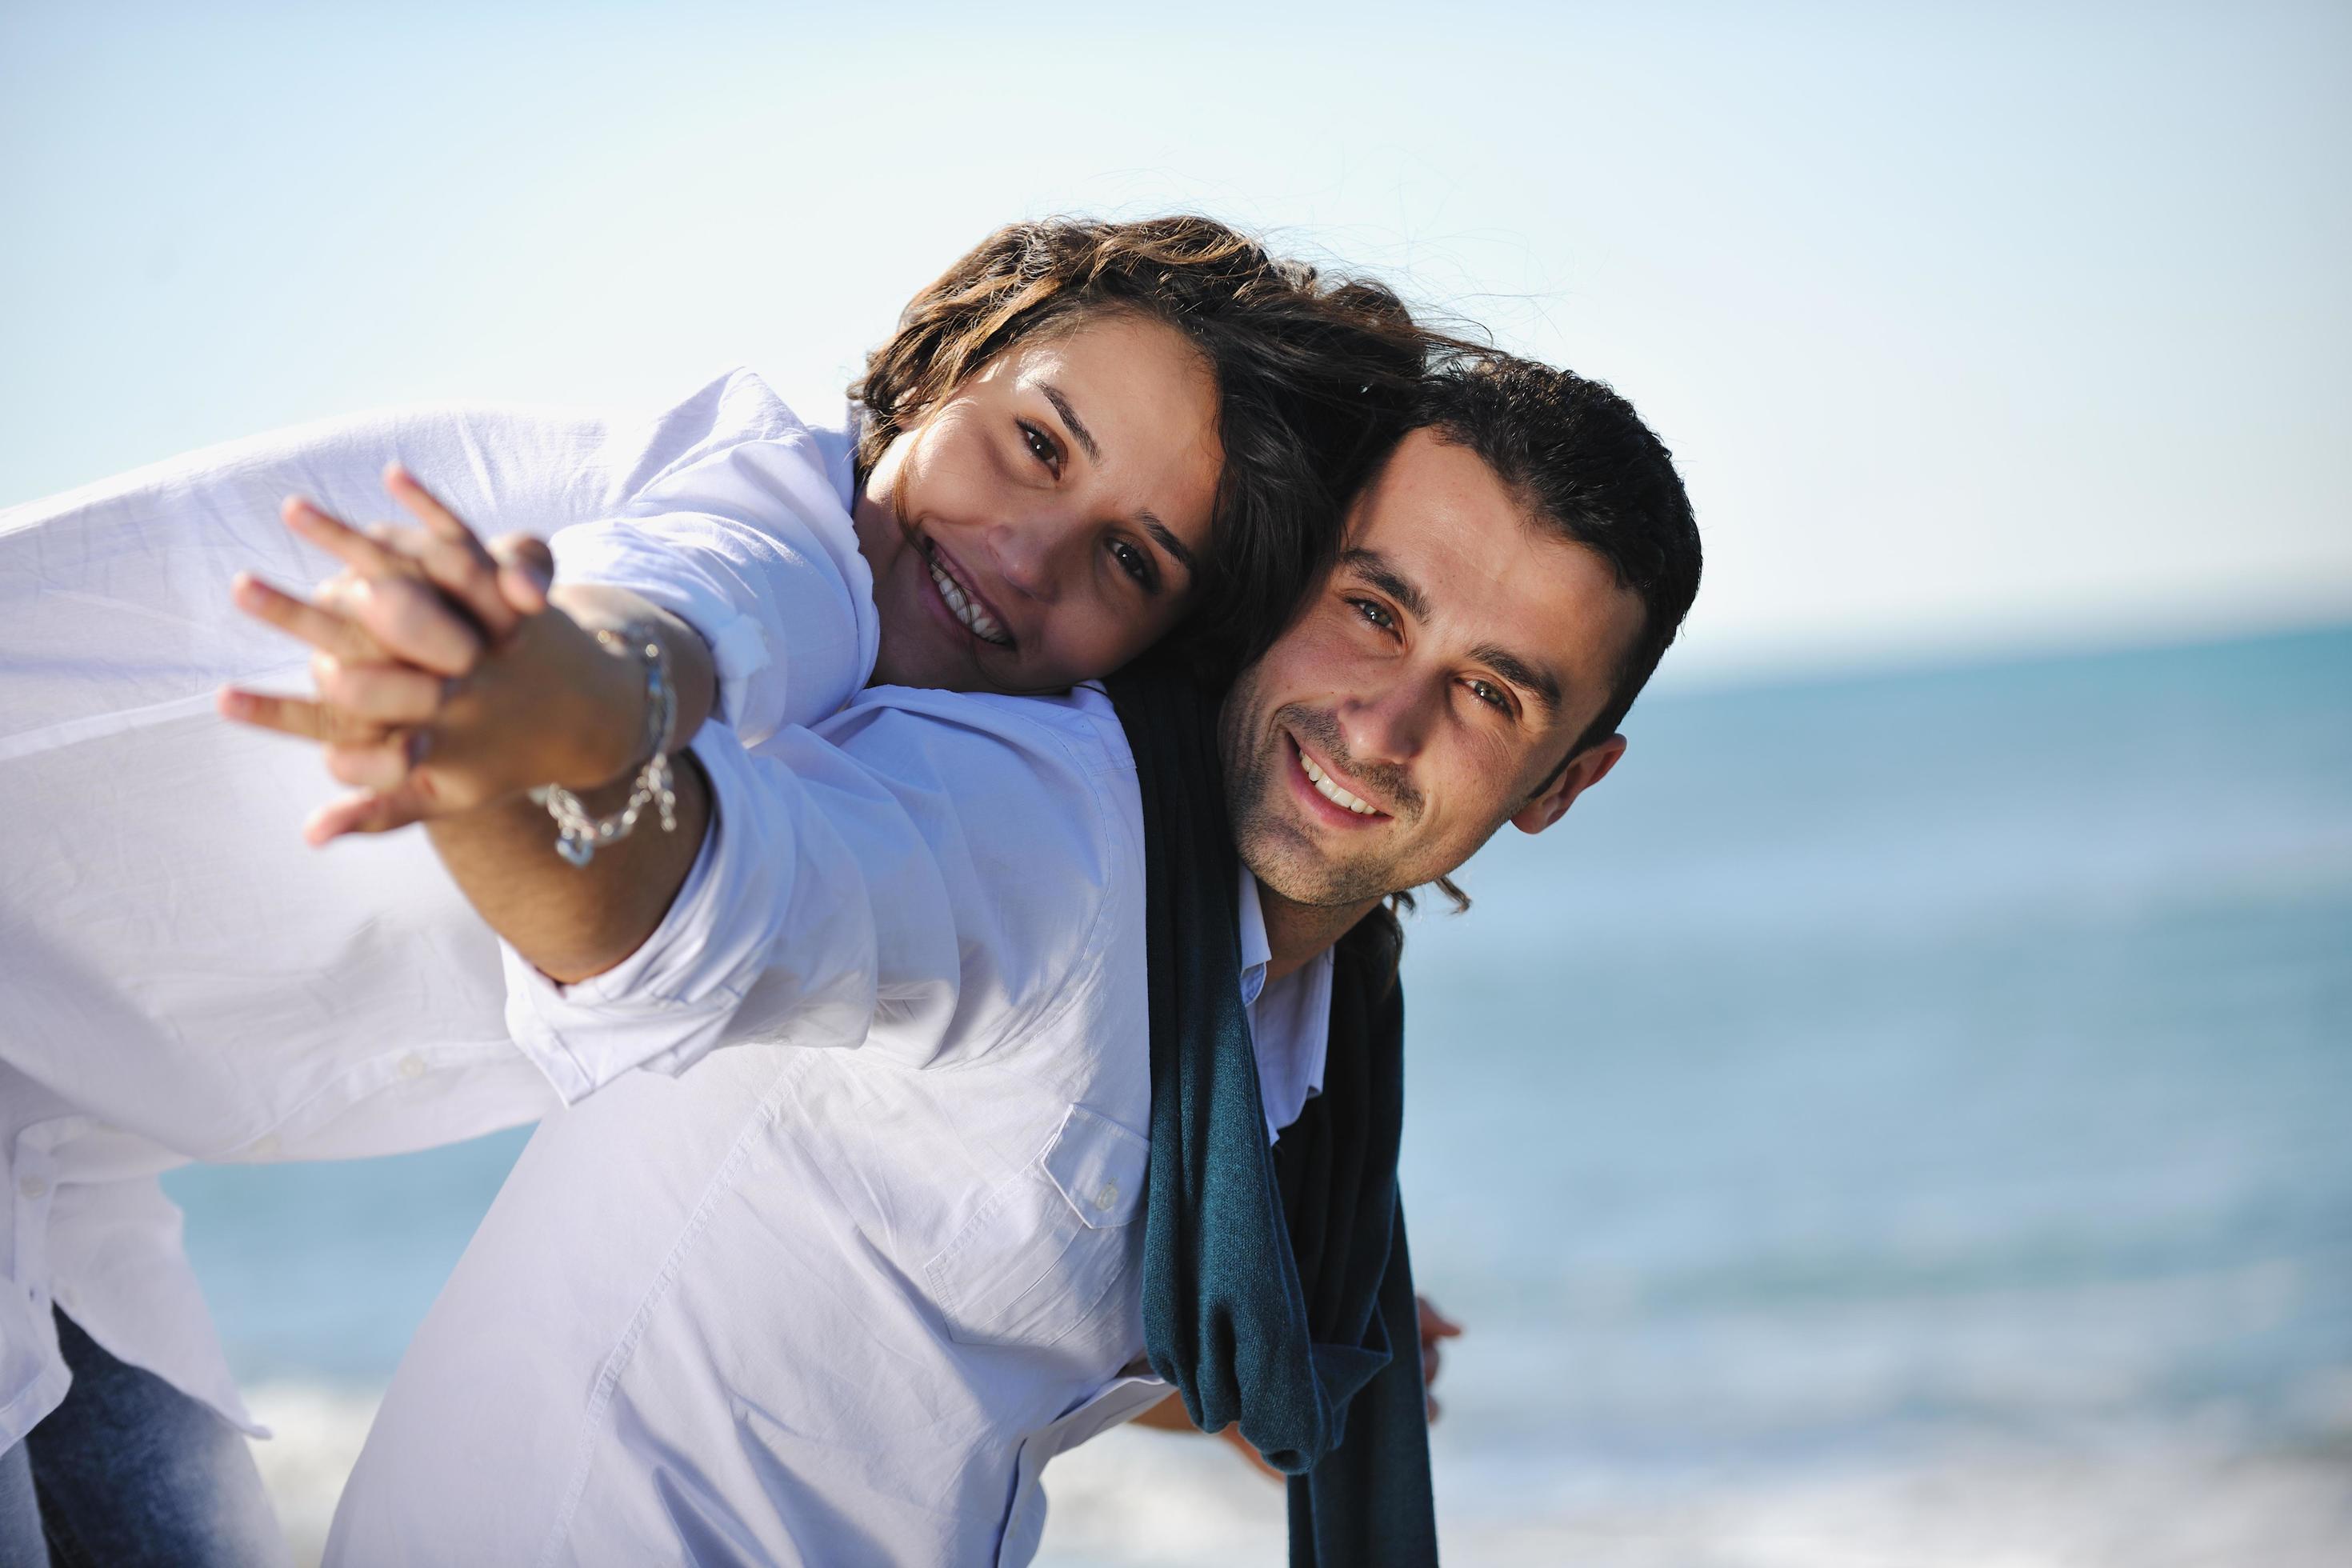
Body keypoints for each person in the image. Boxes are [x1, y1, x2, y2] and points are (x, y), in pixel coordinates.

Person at [0, 215, 1431, 1565]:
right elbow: (671, 610)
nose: (1025, 550)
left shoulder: (944, 770)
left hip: (61, 1152)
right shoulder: (787, 522)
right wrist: (563, 695)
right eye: (1035, 444)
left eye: (1129, 559)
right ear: (943, 368)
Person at [246, 354, 1702, 1564]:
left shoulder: (1306, 1004)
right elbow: (666, 891)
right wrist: (499, 748)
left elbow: (1008, 1255)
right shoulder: (1050, 830)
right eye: (1371, 612)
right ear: (1275, 593)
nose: (1384, 727)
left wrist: (1268, 1350)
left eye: (1491, 695)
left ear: (1563, 783)